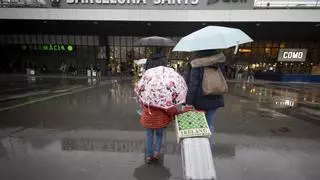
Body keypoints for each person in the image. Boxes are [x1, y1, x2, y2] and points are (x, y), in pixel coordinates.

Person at [184, 50, 225, 145]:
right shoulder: (217, 62)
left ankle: (201, 148)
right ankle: (208, 149)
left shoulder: (196, 63)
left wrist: (188, 102)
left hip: (200, 99)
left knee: (199, 125)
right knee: (210, 124)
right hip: (216, 96)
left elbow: (193, 85)